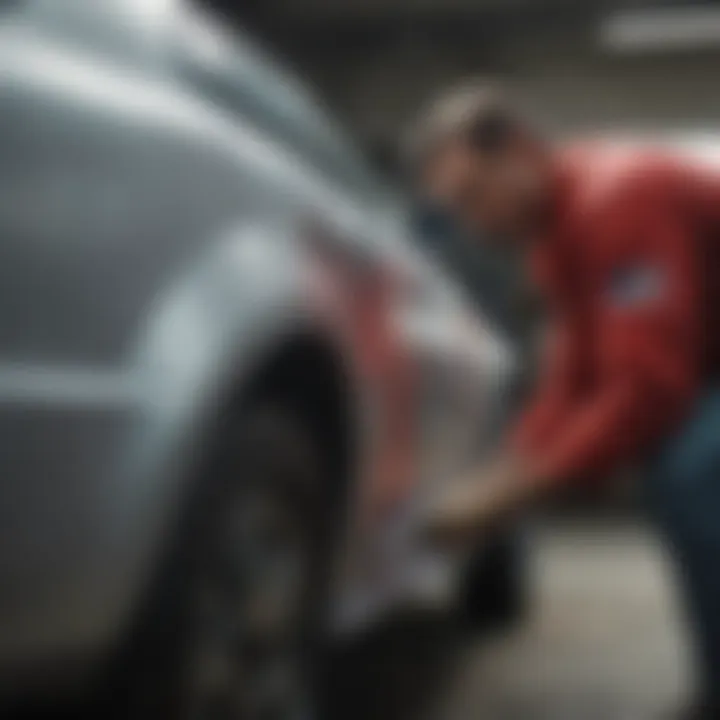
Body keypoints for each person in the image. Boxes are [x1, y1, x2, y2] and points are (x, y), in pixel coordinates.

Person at [406, 81, 720, 719]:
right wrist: (510, 467)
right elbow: (572, 381)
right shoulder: (555, 241)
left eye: (474, 196)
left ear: (520, 152)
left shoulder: (620, 199)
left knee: (691, 472)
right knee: (679, 469)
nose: (475, 223)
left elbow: (648, 388)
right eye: (456, 211)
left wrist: (519, 489)